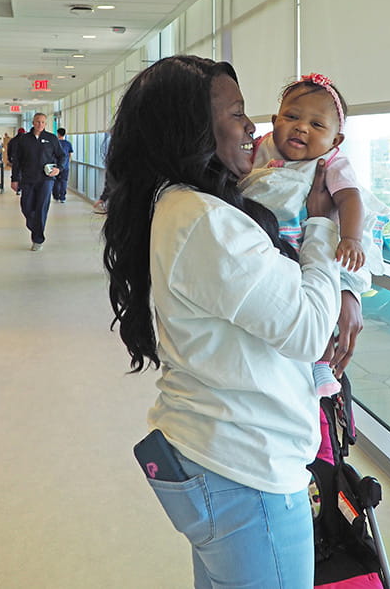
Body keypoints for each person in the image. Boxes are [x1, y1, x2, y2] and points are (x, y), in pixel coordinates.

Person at [102, 55, 361, 589]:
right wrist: (319, 224)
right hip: (246, 468)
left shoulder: (189, 205)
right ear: (191, 129)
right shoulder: (205, 222)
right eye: (237, 113)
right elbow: (312, 329)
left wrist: (348, 285)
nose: (253, 127)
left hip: (218, 450)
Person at [239, 73, 387, 397]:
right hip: (267, 246)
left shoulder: (332, 163)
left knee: (316, 311)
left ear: (335, 140)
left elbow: (350, 198)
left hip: (303, 243)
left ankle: (321, 364)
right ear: (275, 120)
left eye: (317, 125)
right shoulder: (260, 149)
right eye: (291, 117)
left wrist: (350, 239)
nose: (301, 127)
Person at [10, 114, 65, 251]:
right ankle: (35, 227)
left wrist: (59, 169)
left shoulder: (51, 139)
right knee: (26, 207)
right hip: (27, 179)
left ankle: (37, 239)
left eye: (43, 122)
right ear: (33, 123)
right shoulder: (24, 139)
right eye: (38, 122)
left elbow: (62, 155)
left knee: (41, 208)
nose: (40, 124)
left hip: (46, 180)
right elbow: (17, 161)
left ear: (46, 124)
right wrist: (14, 179)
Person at [52, 128, 73, 203]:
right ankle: (62, 197)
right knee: (64, 181)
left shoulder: (55, 143)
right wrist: (67, 162)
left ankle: (56, 196)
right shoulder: (68, 143)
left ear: (58, 134)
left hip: (56, 166)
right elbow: (70, 155)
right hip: (65, 166)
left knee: (55, 181)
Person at [7, 127, 26, 195]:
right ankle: (23, 187)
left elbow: (9, 150)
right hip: (25, 160)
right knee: (23, 173)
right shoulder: (26, 140)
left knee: (16, 173)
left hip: (15, 159)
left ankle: (18, 189)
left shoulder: (13, 140)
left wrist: (9, 159)